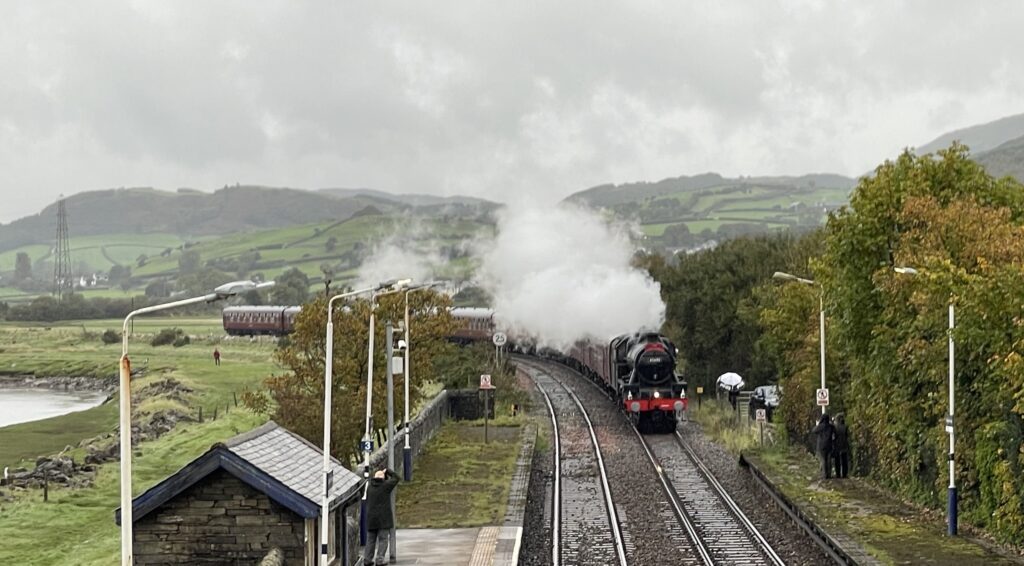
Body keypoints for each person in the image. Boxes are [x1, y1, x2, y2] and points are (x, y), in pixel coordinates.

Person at [363, 467, 399, 566]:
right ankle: (379, 560)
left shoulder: (369, 486)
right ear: (383, 478)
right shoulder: (385, 485)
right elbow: (396, 478)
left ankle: (367, 559)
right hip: (383, 519)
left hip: (371, 519)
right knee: (383, 540)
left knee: (370, 540)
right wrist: (387, 471)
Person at [811, 412, 834, 479]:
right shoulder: (831, 427)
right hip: (829, 445)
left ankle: (824, 475)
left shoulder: (821, 426)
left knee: (823, 460)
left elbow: (814, 430)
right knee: (829, 460)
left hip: (821, 445)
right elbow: (835, 433)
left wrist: (818, 424)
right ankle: (829, 474)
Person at [833, 413, 850, 478]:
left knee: (837, 460)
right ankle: (844, 474)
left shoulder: (835, 427)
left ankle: (838, 474)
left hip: (837, 445)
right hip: (844, 444)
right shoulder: (845, 426)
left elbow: (834, 436)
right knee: (844, 460)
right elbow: (847, 435)